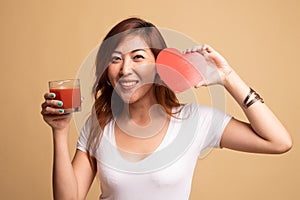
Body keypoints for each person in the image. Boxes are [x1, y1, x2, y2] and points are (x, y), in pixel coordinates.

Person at [41, 17, 292, 200]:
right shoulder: (98, 126)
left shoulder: (194, 120)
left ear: (159, 66)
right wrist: (60, 131)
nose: (125, 69)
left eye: (138, 57)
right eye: (116, 59)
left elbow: (278, 142)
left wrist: (227, 77)